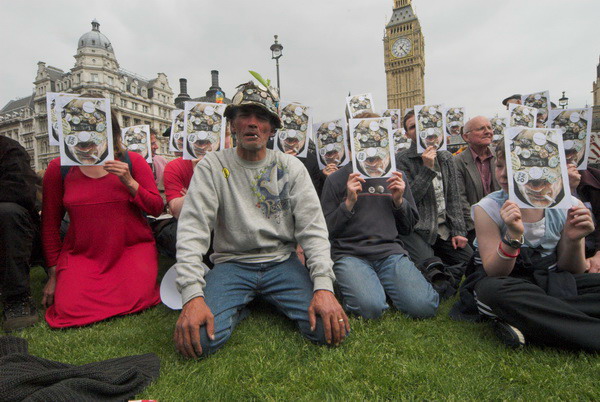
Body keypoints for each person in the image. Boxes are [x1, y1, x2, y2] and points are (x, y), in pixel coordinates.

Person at [173, 80, 349, 358]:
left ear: (272, 128)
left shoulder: (290, 167)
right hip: (232, 264)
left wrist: (324, 288)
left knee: (327, 331)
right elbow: (192, 230)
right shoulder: (213, 166)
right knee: (200, 343)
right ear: (232, 123)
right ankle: (242, 301)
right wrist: (192, 295)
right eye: (244, 115)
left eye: (262, 117)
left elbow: (313, 229)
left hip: (281, 262)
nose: (253, 123)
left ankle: (251, 300)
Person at [451, 140, 600, 351]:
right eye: (500, 166)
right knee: (493, 292)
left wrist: (574, 239)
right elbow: (495, 272)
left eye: (513, 168)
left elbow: (571, 270)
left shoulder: (568, 205)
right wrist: (513, 236)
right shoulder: (488, 208)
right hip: (509, 282)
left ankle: (528, 320)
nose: (502, 175)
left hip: (551, 281)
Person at [41, 102, 163, 328]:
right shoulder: (59, 168)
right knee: (69, 310)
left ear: (111, 130)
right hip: (82, 256)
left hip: (130, 251)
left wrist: (130, 182)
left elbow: (156, 207)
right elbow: (49, 224)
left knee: (138, 299)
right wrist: (54, 274)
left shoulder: (132, 161)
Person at [321, 120, 439, 319]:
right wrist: (348, 203)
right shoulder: (336, 179)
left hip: (389, 252)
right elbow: (326, 230)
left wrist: (399, 201)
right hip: (350, 254)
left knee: (424, 307)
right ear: (351, 146)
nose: (372, 154)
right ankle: (361, 285)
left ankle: (380, 285)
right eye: (364, 145)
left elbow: (408, 227)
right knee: (370, 309)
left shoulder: (396, 176)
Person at [395, 110, 472, 283]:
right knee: (431, 270)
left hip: (443, 230)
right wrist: (427, 169)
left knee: (470, 262)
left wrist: (459, 231)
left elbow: (453, 197)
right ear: (407, 134)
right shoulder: (402, 159)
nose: (418, 129)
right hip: (418, 230)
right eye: (413, 127)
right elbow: (409, 199)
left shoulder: (445, 157)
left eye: (421, 125)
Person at [0, 135, 40, 331]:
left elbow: (20, 192)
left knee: (8, 212)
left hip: (16, 230)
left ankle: (17, 298)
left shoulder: (9, 149)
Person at [455, 116, 500, 243]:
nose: (488, 131)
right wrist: (481, 227)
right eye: (481, 128)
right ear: (466, 137)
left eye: (490, 128)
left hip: (503, 221)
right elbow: (460, 200)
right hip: (475, 227)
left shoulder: (501, 155)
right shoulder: (457, 162)